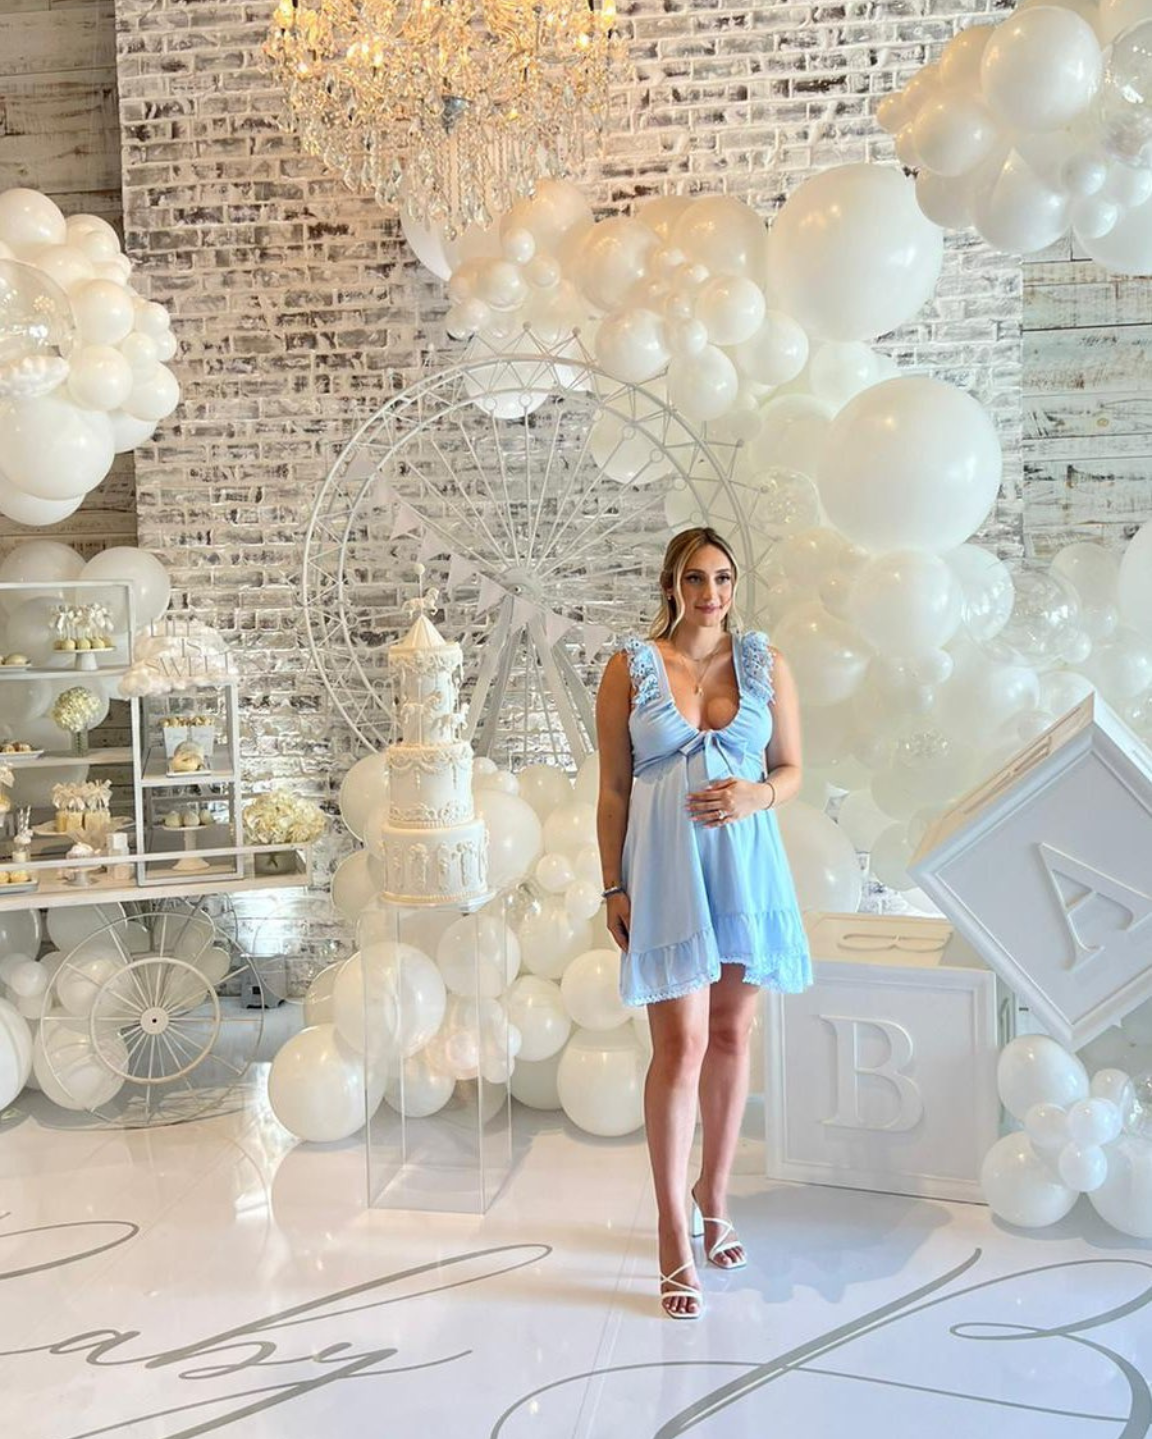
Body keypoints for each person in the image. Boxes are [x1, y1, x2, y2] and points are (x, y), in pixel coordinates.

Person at [594, 526, 811, 1320]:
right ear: (671, 585)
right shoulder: (630, 666)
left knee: (730, 1035)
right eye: (694, 578)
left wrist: (758, 793)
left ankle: (713, 1196)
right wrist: (612, 884)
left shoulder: (764, 662)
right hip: (665, 869)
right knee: (678, 1044)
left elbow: (791, 768)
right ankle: (669, 1227)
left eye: (722, 578)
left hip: (746, 869)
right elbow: (615, 787)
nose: (710, 593)